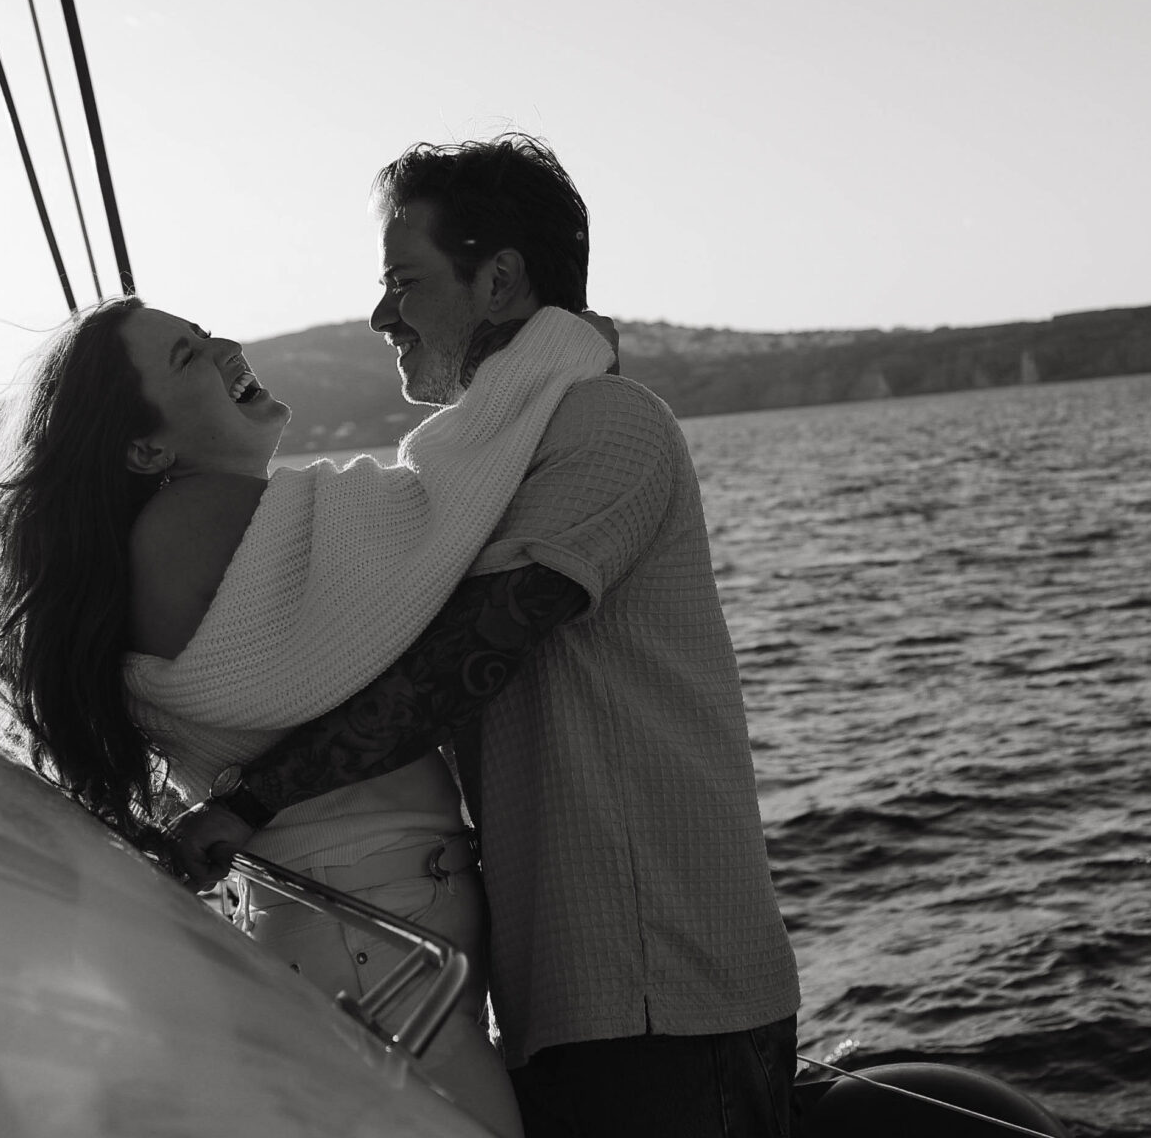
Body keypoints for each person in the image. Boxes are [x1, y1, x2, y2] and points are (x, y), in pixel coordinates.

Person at [167, 136, 800, 1138]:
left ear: (498, 279)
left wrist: (251, 797)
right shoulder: (479, 470)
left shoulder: (606, 424)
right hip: (576, 1000)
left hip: (664, 994)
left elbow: (460, 659)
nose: (380, 314)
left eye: (402, 281)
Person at [0, 259, 617, 1134]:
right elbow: (434, 507)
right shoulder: (202, 517)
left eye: (205, 329)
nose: (226, 348)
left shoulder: (159, 540)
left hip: (338, 927)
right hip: (376, 936)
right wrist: (563, 346)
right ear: (146, 450)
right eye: (188, 356)